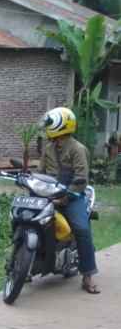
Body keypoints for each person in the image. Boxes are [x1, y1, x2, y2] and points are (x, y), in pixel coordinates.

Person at [39, 106, 100, 294]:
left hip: (73, 197)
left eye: (50, 124)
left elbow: (82, 178)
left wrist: (66, 197)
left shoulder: (77, 149)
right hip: (50, 195)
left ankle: (88, 276)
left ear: (60, 125)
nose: (47, 127)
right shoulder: (48, 148)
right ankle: (25, 263)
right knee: (31, 219)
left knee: (82, 229)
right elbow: (42, 173)